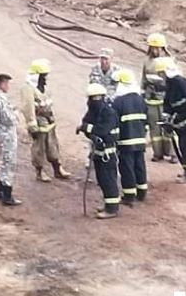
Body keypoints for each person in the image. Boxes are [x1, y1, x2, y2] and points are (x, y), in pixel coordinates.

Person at [19, 59, 72, 182]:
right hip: (39, 122)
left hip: (49, 120)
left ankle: (57, 168)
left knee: (53, 145)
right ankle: (40, 171)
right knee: (39, 148)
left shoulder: (44, 87)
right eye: (44, 75)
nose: (46, 78)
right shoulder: (27, 88)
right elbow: (28, 107)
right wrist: (32, 126)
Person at [155, 57, 186, 183]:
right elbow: (168, 103)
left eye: (161, 73)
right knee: (183, 146)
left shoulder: (180, 82)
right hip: (180, 121)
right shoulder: (170, 84)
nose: (160, 76)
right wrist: (166, 119)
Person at [78, 83, 121, 219]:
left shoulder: (109, 112)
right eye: (92, 98)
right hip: (97, 152)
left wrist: (86, 128)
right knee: (101, 180)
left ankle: (112, 209)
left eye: (96, 98)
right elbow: (87, 124)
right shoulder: (93, 111)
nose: (93, 101)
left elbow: (101, 130)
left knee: (109, 180)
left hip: (107, 153)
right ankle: (108, 205)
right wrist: (88, 130)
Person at [112, 68, 148, 204]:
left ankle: (129, 196)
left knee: (127, 168)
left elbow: (114, 122)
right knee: (140, 165)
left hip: (125, 141)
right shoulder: (140, 99)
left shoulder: (118, 102)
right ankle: (142, 192)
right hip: (140, 140)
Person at [0, 73, 21, 206]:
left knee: (3, 163)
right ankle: (7, 194)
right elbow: (8, 119)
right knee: (9, 163)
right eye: (7, 83)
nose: (8, 86)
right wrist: (16, 114)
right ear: (2, 83)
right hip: (6, 135)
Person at [140, 33, 174, 163]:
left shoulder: (169, 61)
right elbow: (143, 78)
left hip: (166, 99)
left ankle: (172, 153)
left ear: (163, 48)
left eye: (157, 48)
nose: (154, 50)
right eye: (152, 48)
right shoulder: (147, 61)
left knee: (169, 127)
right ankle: (158, 153)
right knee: (154, 128)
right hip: (151, 99)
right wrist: (142, 94)